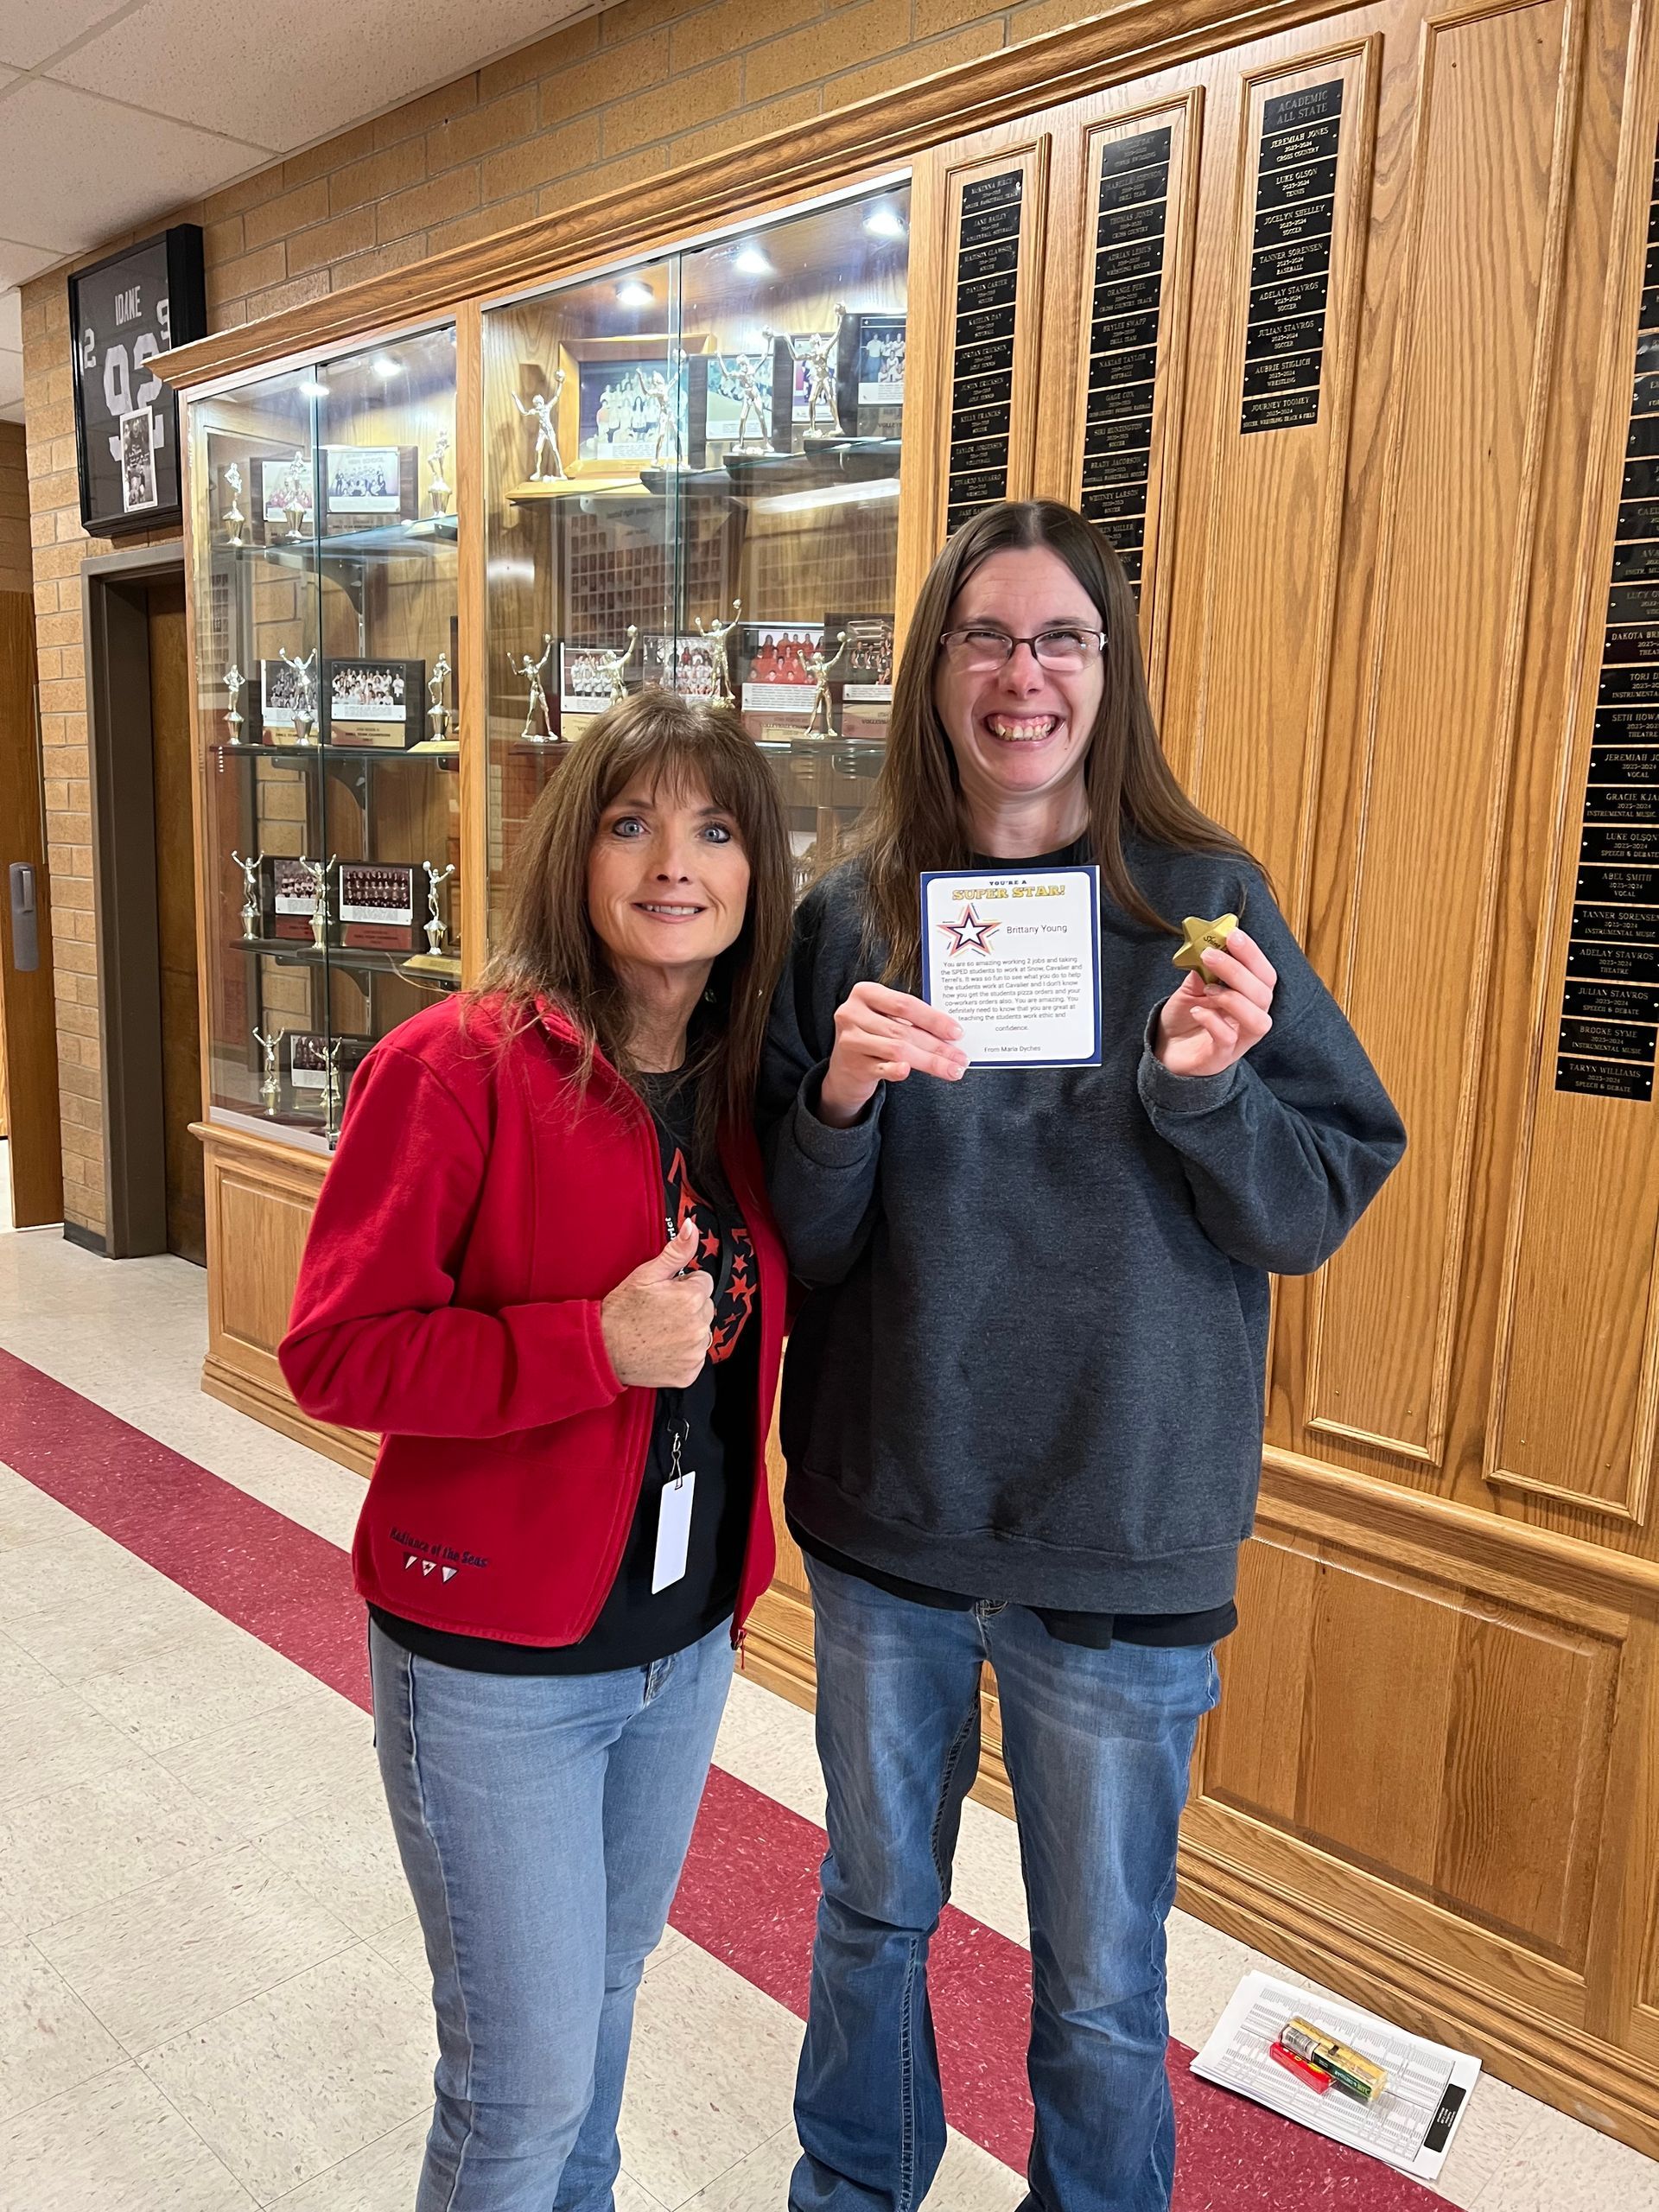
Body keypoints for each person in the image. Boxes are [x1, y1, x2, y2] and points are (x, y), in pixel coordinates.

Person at [759, 499, 1407, 2212]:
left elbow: (1316, 1198)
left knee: (1104, 1982)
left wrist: (1204, 1088)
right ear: (935, 667)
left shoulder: (1203, 910)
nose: (1023, 674)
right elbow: (805, 1246)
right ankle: (853, 2187)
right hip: (894, 1515)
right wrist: (834, 1098)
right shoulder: (853, 914)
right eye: (987, 635)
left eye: (1061, 638)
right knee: (874, 1915)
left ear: (1109, 672)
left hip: (1121, 1532)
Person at [278, 690, 793, 2212]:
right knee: (520, 2090)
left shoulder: (747, 1082)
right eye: (632, 823)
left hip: (682, 1638)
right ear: (576, 852)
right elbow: (332, 1351)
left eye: (712, 828)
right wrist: (587, 1347)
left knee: (610, 2005)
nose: (672, 864)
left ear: (757, 868)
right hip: (496, 1665)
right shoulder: (457, 1067)